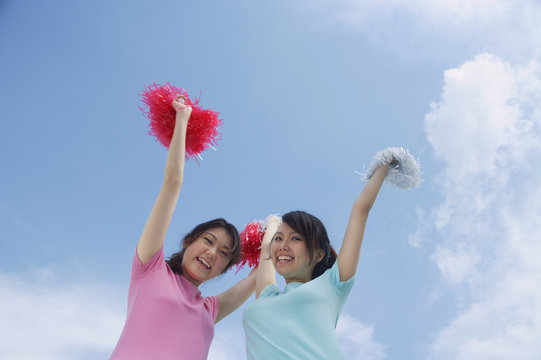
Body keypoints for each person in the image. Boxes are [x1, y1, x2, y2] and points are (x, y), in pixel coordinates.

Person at [110, 96, 255, 360]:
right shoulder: (150, 269)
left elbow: (256, 277)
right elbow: (172, 183)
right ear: (189, 240)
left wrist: (266, 239)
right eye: (209, 241)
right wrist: (183, 118)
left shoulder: (209, 309)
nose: (213, 253)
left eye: (224, 253)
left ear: (224, 269)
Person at [243, 162, 392, 359]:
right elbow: (267, 252)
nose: (283, 246)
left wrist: (386, 163)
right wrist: (272, 223)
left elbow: (361, 208)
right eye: (279, 239)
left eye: (295, 238)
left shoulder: (333, 284)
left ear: (319, 254)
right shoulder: (267, 296)